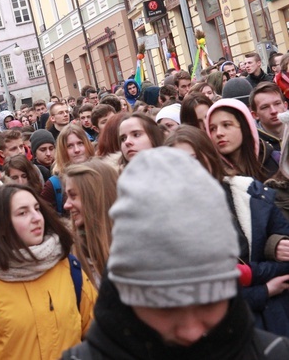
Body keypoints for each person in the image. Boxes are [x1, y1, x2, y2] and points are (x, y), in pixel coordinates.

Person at [63, 148, 289, 359]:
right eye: (165, 306)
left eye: (209, 301)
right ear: (127, 291)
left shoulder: (274, 353)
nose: (190, 331)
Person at [166, 126, 289, 337]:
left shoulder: (250, 193)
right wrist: (262, 289)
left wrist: (272, 245)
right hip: (218, 334)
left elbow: (285, 261)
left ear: (209, 156)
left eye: (193, 158)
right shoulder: (165, 219)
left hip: (273, 323)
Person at [0, 184, 97, 359]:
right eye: (22, 213)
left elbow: (97, 336)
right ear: (0, 226)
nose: (36, 218)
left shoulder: (67, 266)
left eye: (37, 209)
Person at [62, 160, 118, 286]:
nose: (66, 205)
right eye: (67, 196)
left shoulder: (137, 251)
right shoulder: (67, 254)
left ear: (95, 197)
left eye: (73, 196)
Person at [206, 98, 279, 181]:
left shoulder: (277, 161)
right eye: (212, 129)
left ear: (244, 126)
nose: (219, 133)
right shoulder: (212, 176)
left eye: (226, 125)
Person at [40, 124, 94, 213]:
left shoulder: (101, 175)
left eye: (80, 143)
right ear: (62, 151)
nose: (77, 150)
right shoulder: (53, 185)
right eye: (70, 146)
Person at [250, 82, 287, 148]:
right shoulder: (252, 145)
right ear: (255, 115)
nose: (273, 111)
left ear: (285, 106)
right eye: (265, 107)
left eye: (277, 104)